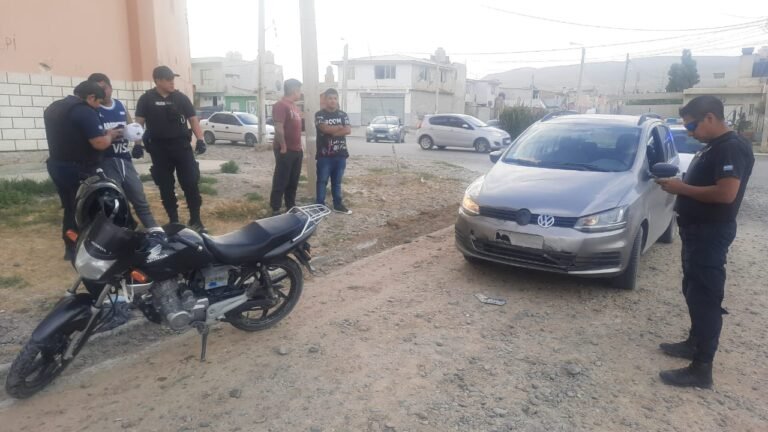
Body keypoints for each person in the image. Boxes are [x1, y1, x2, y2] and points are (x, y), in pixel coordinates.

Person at [655, 95, 754, 389]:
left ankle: (701, 369)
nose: (690, 132)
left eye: (693, 125)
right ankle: (694, 342)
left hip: (710, 233)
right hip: (698, 231)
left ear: (710, 118)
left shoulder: (731, 149)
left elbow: (726, 194)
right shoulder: (715, 147)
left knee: (706, 298)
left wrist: (680, 188)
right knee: (693, 290)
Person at [44, 80, 122, 260]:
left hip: (57, 165)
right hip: (79, 168)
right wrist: (110, 135)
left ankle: (70, 247)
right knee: (87, 208)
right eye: (98, 102)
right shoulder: (83, 111)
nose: (98, 107)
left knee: (70, 207)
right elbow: (99, 143)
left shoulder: (55, 107)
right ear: (91, 97)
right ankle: (86, 249)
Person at [135, 66, 208, 232]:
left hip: (181, 147)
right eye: (168, 80)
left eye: (172, 79)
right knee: (165, 185)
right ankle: (174, 220)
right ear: (158, 81)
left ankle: (196, 219)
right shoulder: (146, 99)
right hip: (159, 149)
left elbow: (193, 119)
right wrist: (137, 144)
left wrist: (201, 139)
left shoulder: (181, 98)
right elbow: (138, 123)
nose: (172, 82)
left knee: (190, 182)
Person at [88, 73, 161, 230]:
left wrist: (137, 144)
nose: (103, 92)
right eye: (98, 90)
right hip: (105, 161)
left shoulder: (119, 106)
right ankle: (122, 231)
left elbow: (132, 127)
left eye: (105, 88)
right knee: (115, 200)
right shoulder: (92, 110)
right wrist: (111, 134)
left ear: (111, 87)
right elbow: (93, 136)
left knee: (139, 196)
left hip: (124, 159)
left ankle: (154, 229)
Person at [315, 88, 352, 214]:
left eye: (335, 98)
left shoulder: (343, 115)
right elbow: (324, 129)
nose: (333, 101)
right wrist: (339, 128)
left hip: (340, 154)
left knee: (337, 182)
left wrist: (333, 132)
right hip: (324, 155)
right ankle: (320, 206)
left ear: (337, 100)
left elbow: (348, 130)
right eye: (330, 98)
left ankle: (337, 205)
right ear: (325, 100)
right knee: (322, 181)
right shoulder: (320, 115)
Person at [270, 79, 304, 215]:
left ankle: (291, 205)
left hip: (296, 150)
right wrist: (283, 146)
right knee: (281, 179)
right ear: (295, 90)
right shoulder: (281, 105)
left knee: (293, 180)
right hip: (285, 149)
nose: (301, 93)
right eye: (300, 90)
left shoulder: (294, 107)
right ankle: (275, 208)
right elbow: (278, 127)